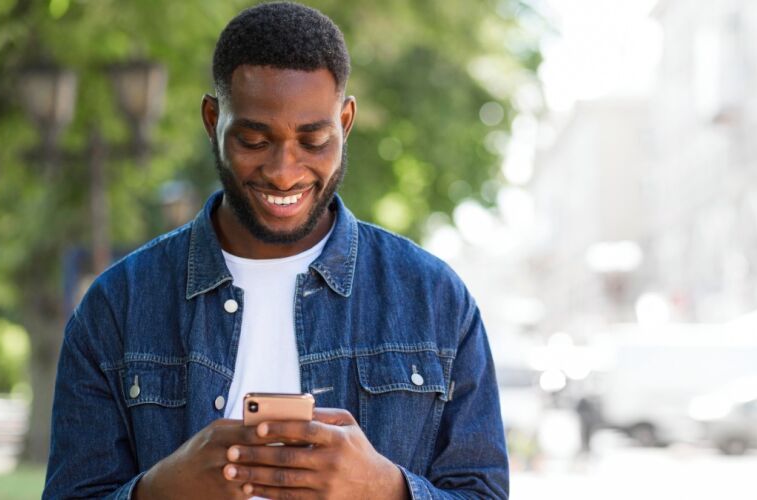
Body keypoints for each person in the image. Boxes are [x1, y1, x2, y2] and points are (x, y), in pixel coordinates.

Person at [43, 3, 508, 499]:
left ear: (345, 122)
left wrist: (387, 489)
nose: (284, 171)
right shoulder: (118, 305)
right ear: (212, 120)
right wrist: (156, 491)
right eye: (254, 139)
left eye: (313, 140)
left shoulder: (434, 299)